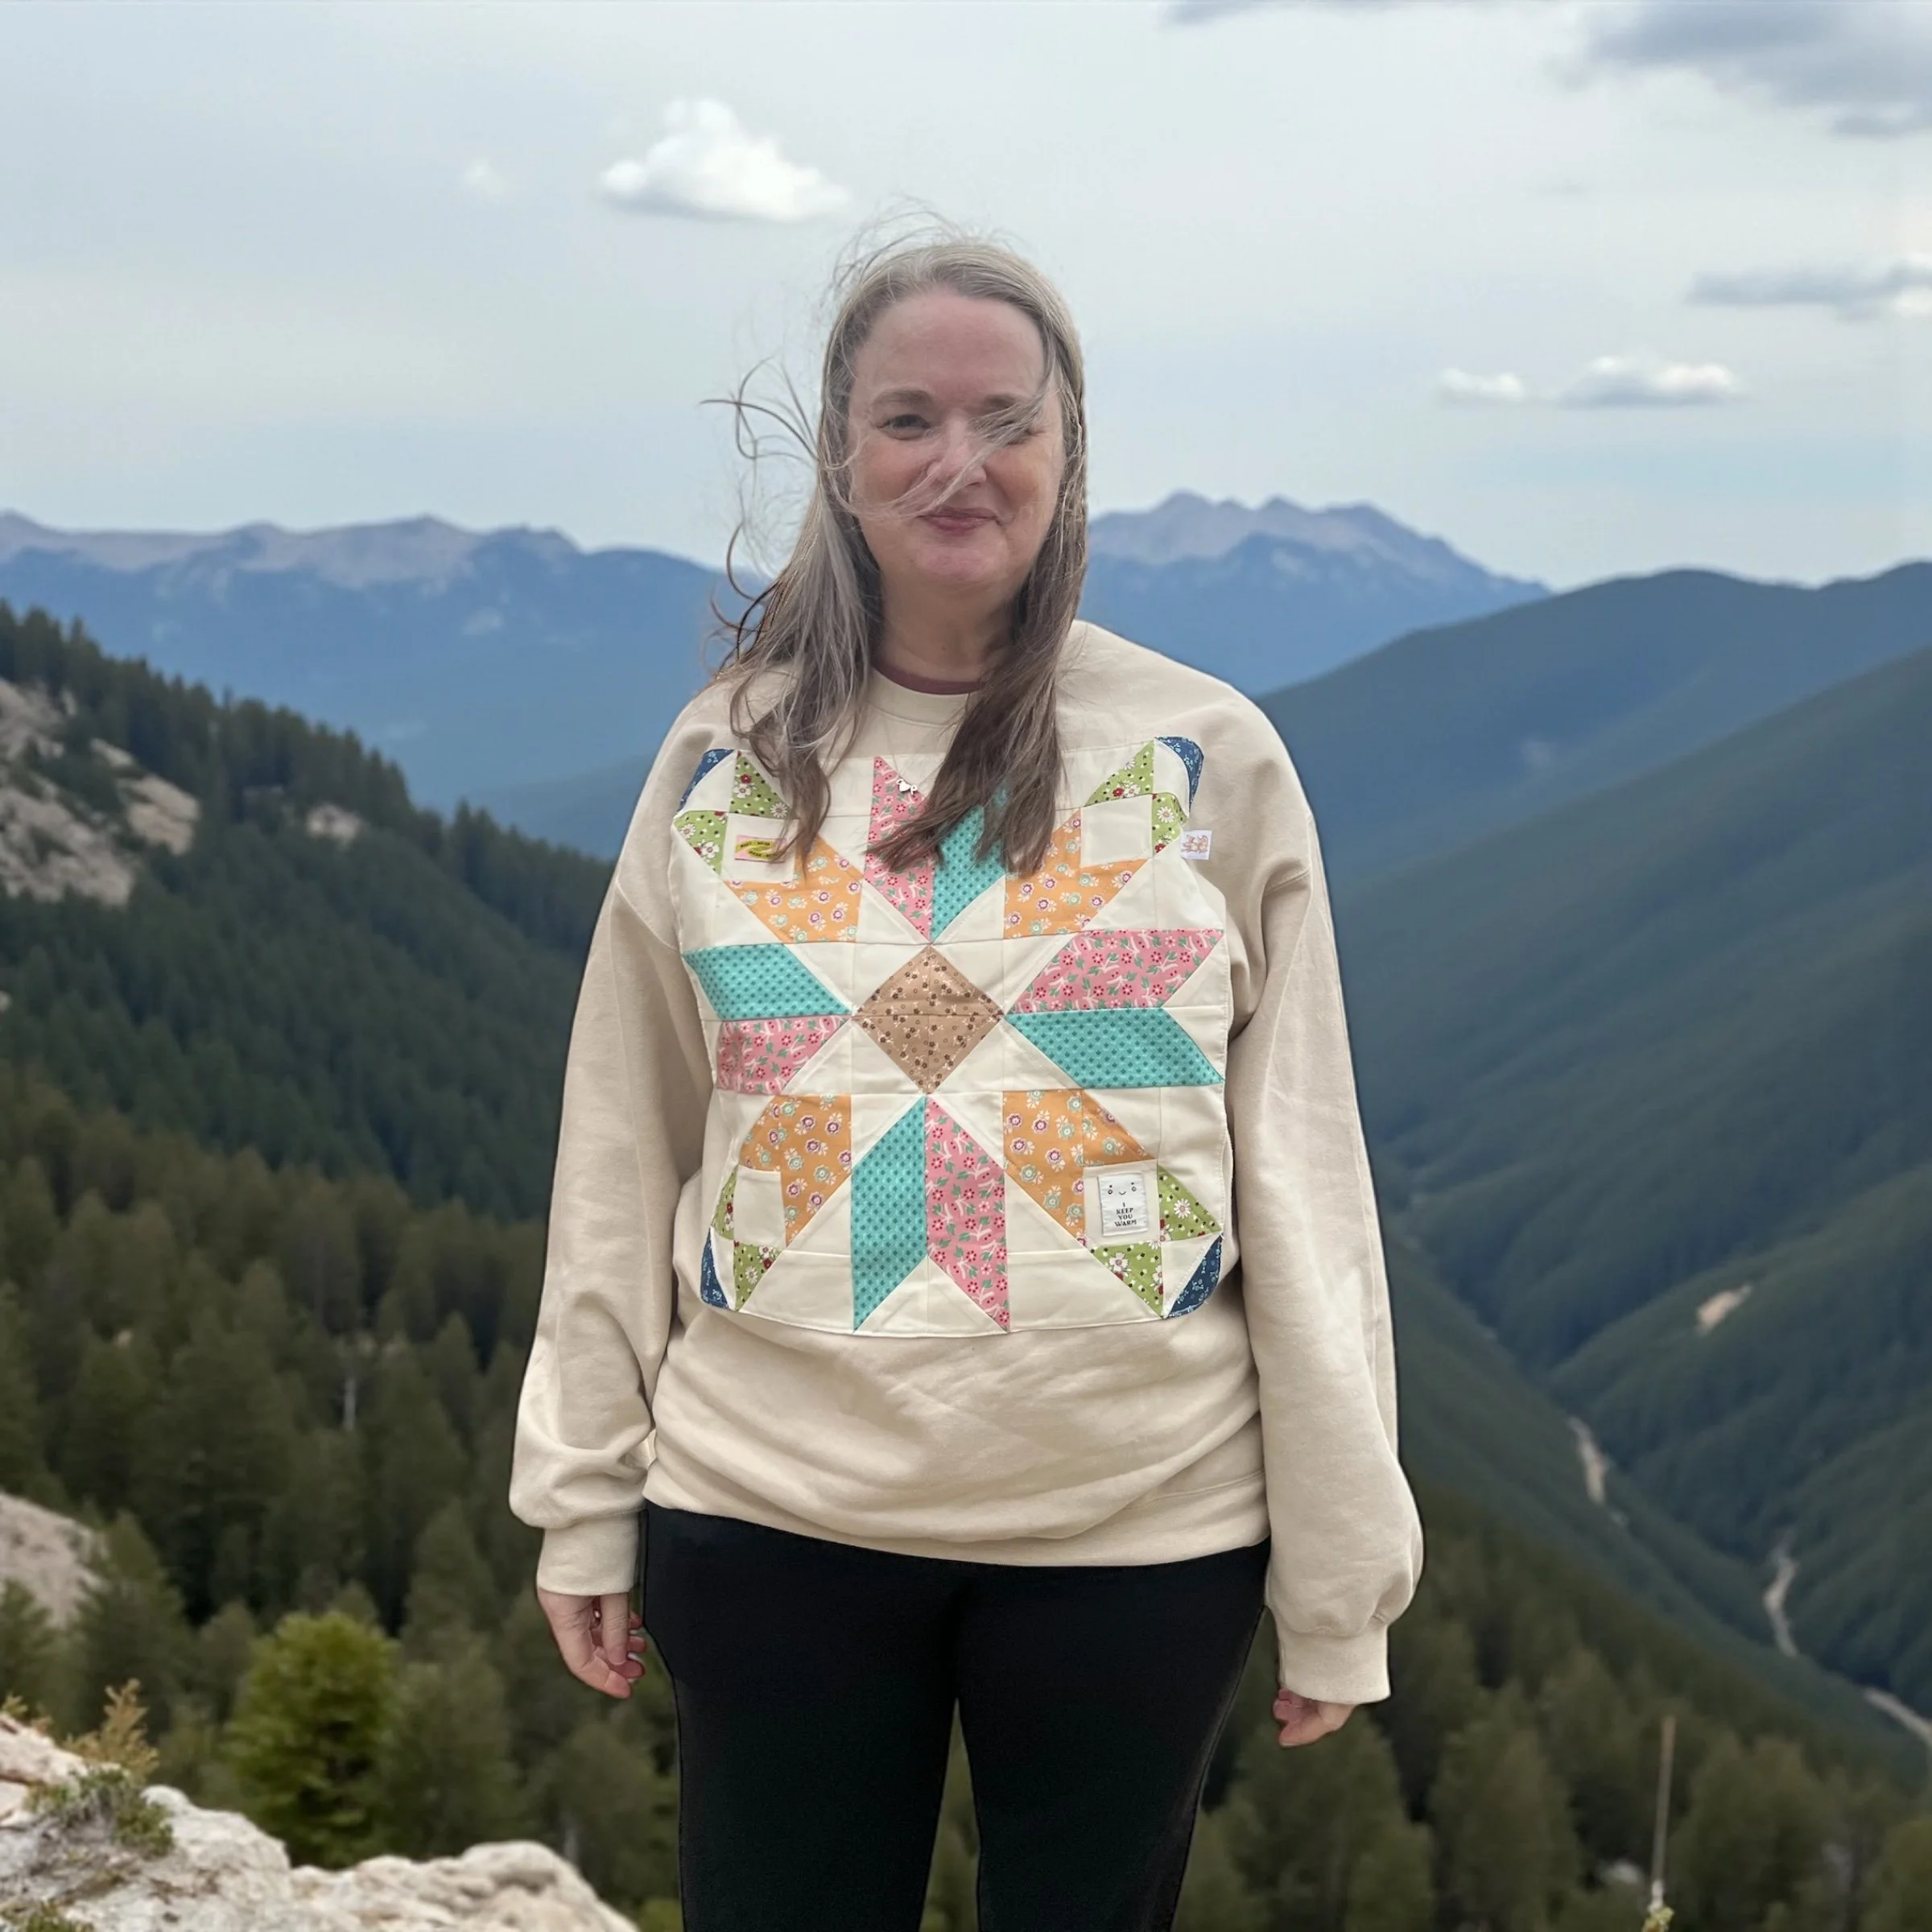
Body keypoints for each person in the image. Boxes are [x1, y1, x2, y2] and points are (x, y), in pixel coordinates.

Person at [510, 228, 1424, 1932]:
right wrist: (580, 1500)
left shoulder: (1207, 758)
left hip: (1139, 1539)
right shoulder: (729, 754)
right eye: (909, 418)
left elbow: (1300, 1178)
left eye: (1005, 419)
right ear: (841, 458)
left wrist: (1342, 1570)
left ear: (1068, 454)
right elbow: (623, 1146)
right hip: (768, 1515)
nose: (959, 463)